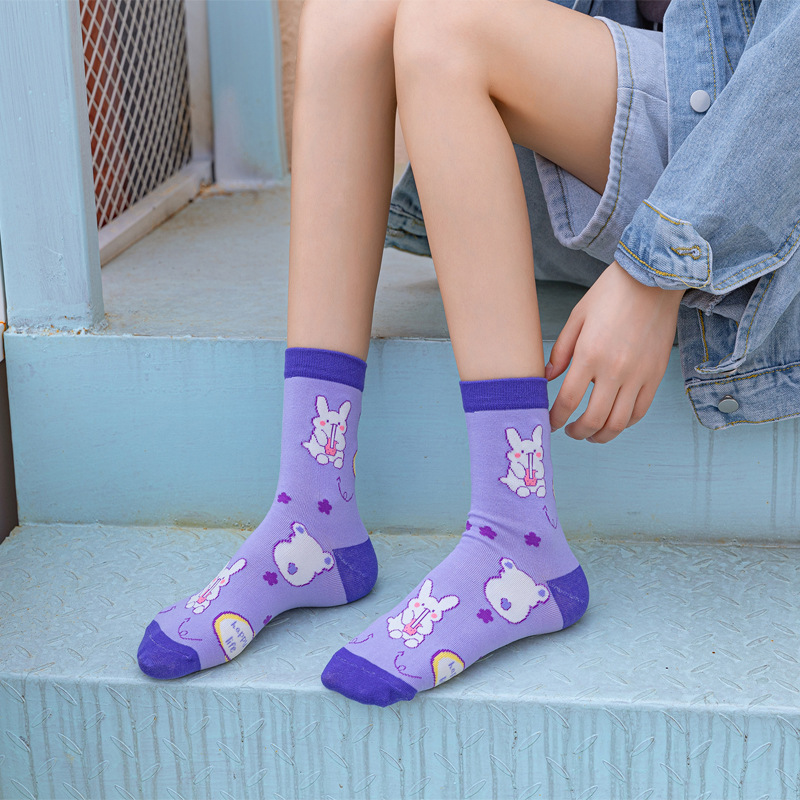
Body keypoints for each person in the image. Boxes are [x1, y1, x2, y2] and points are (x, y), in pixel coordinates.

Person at [137, 0, 800, 705]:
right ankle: (312, 504)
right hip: (605, 157)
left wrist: (656, 269)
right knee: (346, 13)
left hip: (750, 191)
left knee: (446, 31)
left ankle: (519, 532)